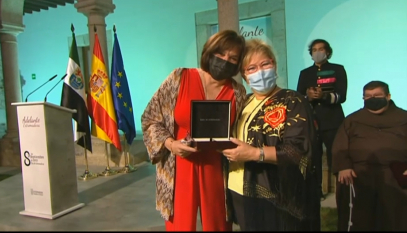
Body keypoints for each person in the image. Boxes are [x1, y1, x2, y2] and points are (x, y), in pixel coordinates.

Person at [141, 30, 247, 231]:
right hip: (179, 165)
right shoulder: (179, 78)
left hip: (217, 167)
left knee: (218, 225)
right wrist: (171, 144)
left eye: (233, 58)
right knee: (179, 226)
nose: (225, 60)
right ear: (209, 52)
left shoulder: (238, 92)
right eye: (221, 54)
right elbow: (150, 118)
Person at [222, 39, 321, 231]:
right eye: (251, 68)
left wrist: (254, 154)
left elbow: (299, 151)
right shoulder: (243, 103)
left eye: (264, 64)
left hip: (277, 194)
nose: (259, 71)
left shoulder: (292, 101)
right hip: (239, 189)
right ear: (244, 75)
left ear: (274, 64)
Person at [332, 80, 407, 231]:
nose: (372, 99)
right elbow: (340, 146)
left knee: (394, 219)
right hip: (360, 175)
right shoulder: (352, 120)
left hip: (395, 174)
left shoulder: (403, 118)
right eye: (368, 96)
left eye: (377, 95)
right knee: (361, 220)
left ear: (388, 96)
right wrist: (343, 166)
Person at [296, 39, 347, 199]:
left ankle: (342, 190)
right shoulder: (305, 73)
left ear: (328, 52)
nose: (317, 52)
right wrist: (308, 96)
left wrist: (324, 96)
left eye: (321, 49)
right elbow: (299, 97)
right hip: (312, 122)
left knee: (336, 156)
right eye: (314, 50)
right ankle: (316, 191)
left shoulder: (338, 69)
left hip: (333, 120)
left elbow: (342, 96)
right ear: (311, 54)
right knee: (314, 158)